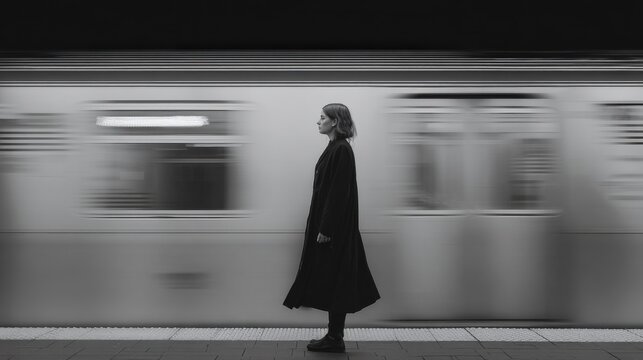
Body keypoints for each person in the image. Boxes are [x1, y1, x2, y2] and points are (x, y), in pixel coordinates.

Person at [283, 103, 381, 353]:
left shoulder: (341, 150)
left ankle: (335, 337)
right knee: (335, 280)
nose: (318, 122)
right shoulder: (335, 149)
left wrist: (326, 228)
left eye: (322, 117)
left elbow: (338, 193)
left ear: (335, 122)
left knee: (336, 280)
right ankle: (334, 335)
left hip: (334, 231)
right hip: (333, 228)